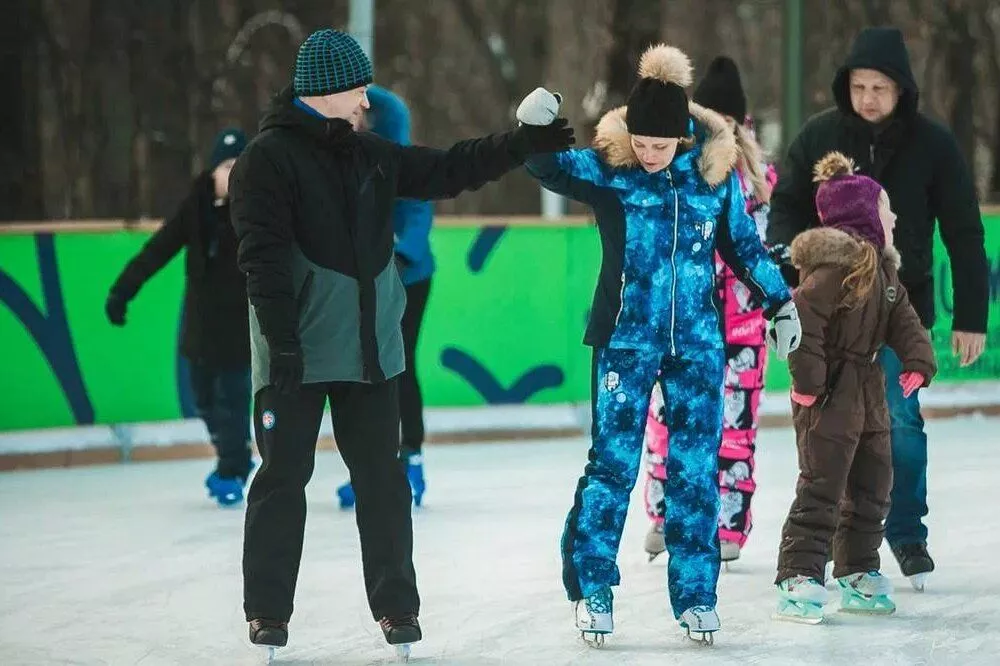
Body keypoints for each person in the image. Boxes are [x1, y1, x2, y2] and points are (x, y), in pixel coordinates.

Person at [228, 28, 574, 657]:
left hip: (369, 353)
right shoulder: (266, 160)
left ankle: (397, 611)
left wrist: (522, 144)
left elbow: (448, 168)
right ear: (329, 91)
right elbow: (263, 259)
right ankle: (268, 612)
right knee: (283, 477)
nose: (366, 101)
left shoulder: (370, 155)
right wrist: (281, 346)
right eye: (358, 88)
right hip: (295, 355)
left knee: (383, 483)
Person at [518, 43, 799, 645]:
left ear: (684, 141)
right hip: (624, 340)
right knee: (613, 464)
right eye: (641, 144)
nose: (649, 156)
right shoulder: (611, 170)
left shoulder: (711, 181)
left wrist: (780, 301)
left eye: (661, 146)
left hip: (698, 343)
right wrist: (531, 126)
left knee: (695, 470)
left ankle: (696, 597)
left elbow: (744, 249)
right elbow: (546, 166)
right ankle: (594, 586)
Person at [767, 27, 989, 588]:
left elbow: (964, 231)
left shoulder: (933, 146)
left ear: (902, 91)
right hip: (832, 309)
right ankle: (844, 543)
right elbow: (785, 209)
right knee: (834, 436)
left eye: (880, 88)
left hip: (898, 306)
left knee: (899, 426)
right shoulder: (819, 135)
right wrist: (799, 277)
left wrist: (971, 315)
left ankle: (907, 534)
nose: (868, 98)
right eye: (859, 86)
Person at [774, 151, 937, 622]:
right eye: (887, 209)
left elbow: (905, 321)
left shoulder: (885, 273)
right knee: (822, 484)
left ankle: (858, 570)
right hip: (828, 394)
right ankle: (799, 574)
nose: (895, 216)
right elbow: (802, 322)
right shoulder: (832, 271)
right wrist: (808, 383)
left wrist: (918, 360)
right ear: (864, 215)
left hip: (869, 392)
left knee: (873, 485)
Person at [641, 56, 777, 567]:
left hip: (740, 329)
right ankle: (662, 515)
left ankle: (728, 526)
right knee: (665, 420)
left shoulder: (761, 179)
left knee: (732, 431)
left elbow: (762, 248)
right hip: (680, 322)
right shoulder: (678, 169)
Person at [106, 128, 253, 507]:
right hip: (202, 329)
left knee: (234, 402)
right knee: (203, 399)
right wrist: (123, 290)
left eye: (242, 166)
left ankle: (232, 469)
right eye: (227, 165)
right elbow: (158, 249)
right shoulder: (196, 208)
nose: (234, 174)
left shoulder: (257, 212)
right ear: (212, 171)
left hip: (240, 329)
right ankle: (233, 459)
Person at [335, 84, 435, 509]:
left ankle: (410, 454)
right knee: (363, 368)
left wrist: (396, 254)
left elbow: (417, 219)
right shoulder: (344, 162)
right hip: (362, 281)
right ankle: (369, 465)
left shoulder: (402, 165)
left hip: (407, 279)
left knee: (398, 364)